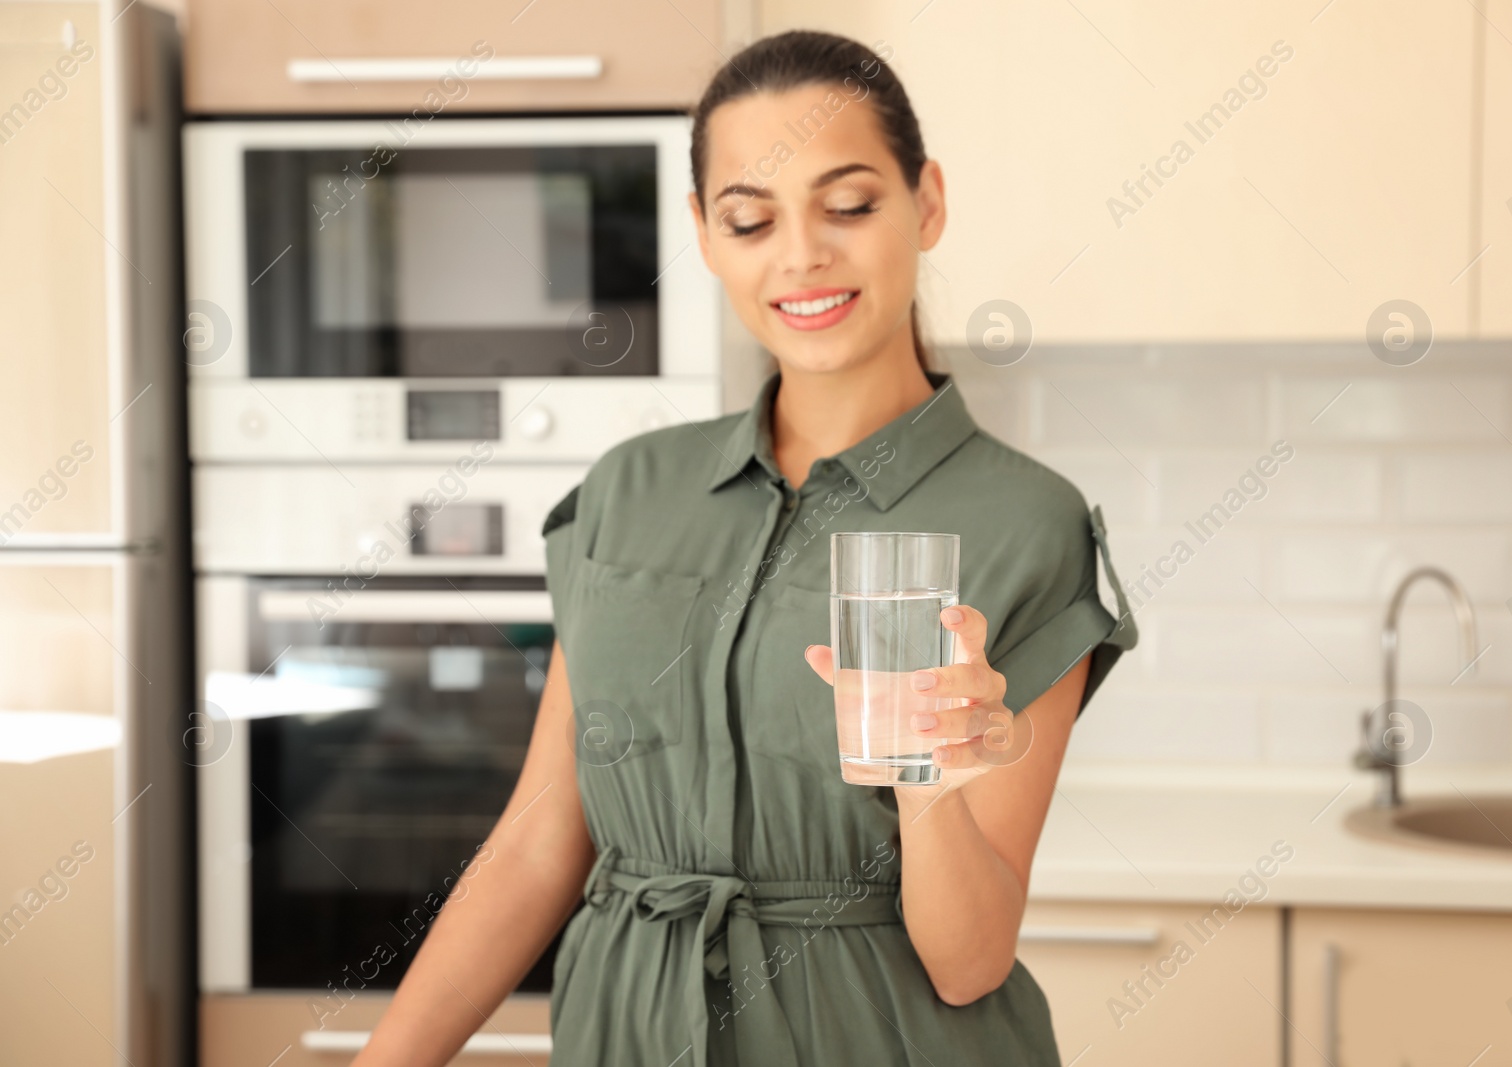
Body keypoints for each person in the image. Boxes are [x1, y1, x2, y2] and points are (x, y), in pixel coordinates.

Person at [353, 29, 1136, 1067]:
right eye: (750, 219)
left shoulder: (1024, 523)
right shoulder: (628, 492)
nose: (801, 254)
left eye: (849, 204)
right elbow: (537, 845)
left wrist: (926, 785)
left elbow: (967, 961)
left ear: (926, 202)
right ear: (705, 235)